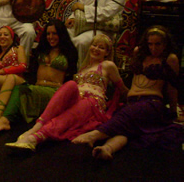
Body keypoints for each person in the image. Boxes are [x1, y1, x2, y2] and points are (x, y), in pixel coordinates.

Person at [73, 26, 183, 159]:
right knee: (125, 129)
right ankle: (107, 148)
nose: (153, 48)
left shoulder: (170, 58)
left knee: (124, 119)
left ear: (165, 44)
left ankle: (94, 135)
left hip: (151, 102)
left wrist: (173, 111)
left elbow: (172, 87)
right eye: (150, 44)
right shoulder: (139, 52)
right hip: (131, 102)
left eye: (157, 44)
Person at [5, 34, 127, 151]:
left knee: (67, 115)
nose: (96, 49)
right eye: (94, 45)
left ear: (107, 53)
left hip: (92, 103)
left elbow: (121, 88)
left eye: (101, 47)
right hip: (76, 99)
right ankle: (36, 128)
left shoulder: (107, 65)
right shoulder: (83, 68)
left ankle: (34, 138)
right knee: (70, 85)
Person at [0, 19, 78, 135]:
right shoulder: (42, 49)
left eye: (54, 33)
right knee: (15, 83)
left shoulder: (69, 52)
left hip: (54, 91)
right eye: (48, 34)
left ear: (61, 34)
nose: (51, 37)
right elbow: (33, 71)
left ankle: (5, 120)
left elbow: (72, 76)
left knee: (20, 89)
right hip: (37, 87)